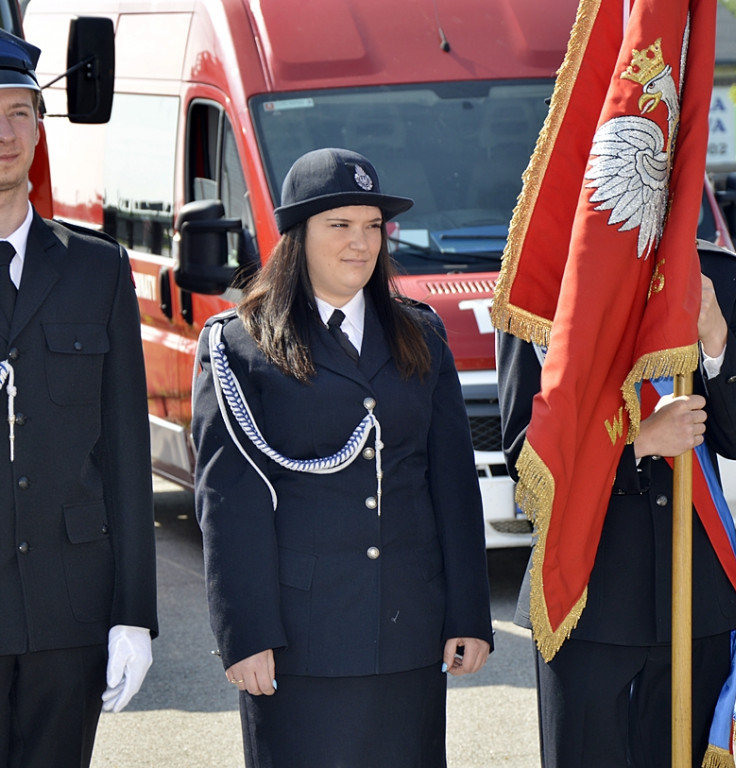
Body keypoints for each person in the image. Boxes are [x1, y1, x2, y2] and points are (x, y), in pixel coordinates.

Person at [192, 147, 493, 767]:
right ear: (297, 237)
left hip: (407, 629)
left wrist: (469, 613)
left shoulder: (420, 332)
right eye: (339, 225)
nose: (360, 243)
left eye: (372, 227)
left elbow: (453, 482)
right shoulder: (240, 345)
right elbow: (229, 505)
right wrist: (245, 635)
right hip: (301, 637)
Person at [497, 241, 736, 767]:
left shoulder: (718, 275)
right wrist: (639, 439)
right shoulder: (544, 279)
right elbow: (524, 453)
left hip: (694, 592)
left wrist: (714, 335)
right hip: (585, 597)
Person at [0, 28, 158, 768]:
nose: (3, 133)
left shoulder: (97, 270)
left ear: (38, 128)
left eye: (18, 113)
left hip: (67, 605)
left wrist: (134, 616)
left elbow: (127, 453)